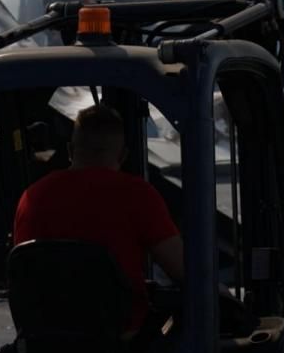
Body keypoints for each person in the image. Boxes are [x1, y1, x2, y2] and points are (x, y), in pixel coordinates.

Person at [13, 104, 184, 334]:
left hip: (45, 339)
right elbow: (184, 271)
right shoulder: (137, 195)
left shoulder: (31, 197)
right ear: (123, 155)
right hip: (121, 341)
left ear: (70, 150)